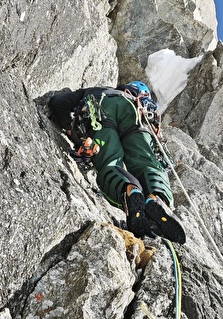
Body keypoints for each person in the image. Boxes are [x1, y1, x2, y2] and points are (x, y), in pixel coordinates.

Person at [49, 81, 186, 243]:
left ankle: (130, 192)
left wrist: (70, 130)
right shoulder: (138, 103)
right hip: (136, 118)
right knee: (148, 164)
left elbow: (58, 102)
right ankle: (158, 200)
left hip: (100, 110)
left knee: (110, 162)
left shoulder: (97, 91)